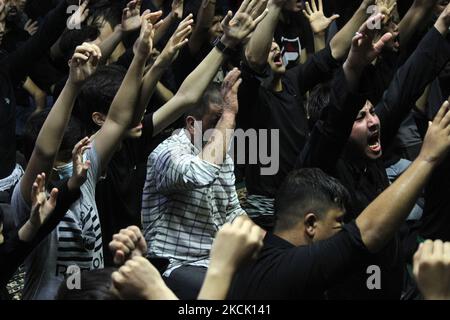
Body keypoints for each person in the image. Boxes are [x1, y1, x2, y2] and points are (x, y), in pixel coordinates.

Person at [228, 18, 450, 296]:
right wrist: (352, 70)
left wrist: (440, 26)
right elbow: (331, 126)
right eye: (360, 116)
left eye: (372, 112)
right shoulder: (321, 169)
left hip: (391, 281)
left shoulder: (368, 145)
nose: (373, 121)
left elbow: (402, 89)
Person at [141, 0, 269, 299]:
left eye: (223, 120)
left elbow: (231, 210)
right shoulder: (168, 153)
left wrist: (269, 245)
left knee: (278, 277)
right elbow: (200, 172)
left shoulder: (218, 152)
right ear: (191, 123)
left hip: (213, 260)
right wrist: (229, 114)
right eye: (215, 119)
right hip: (173, 265)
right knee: (233, 294)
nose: (223, 127)